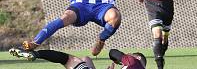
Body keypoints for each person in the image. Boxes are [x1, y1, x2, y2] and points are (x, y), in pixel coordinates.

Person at [9, 48, 146, 69]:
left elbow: (113, 52)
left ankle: (36, 54)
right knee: (86, 58)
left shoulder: (134, 61)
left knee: (66, 59)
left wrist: (118, 60)